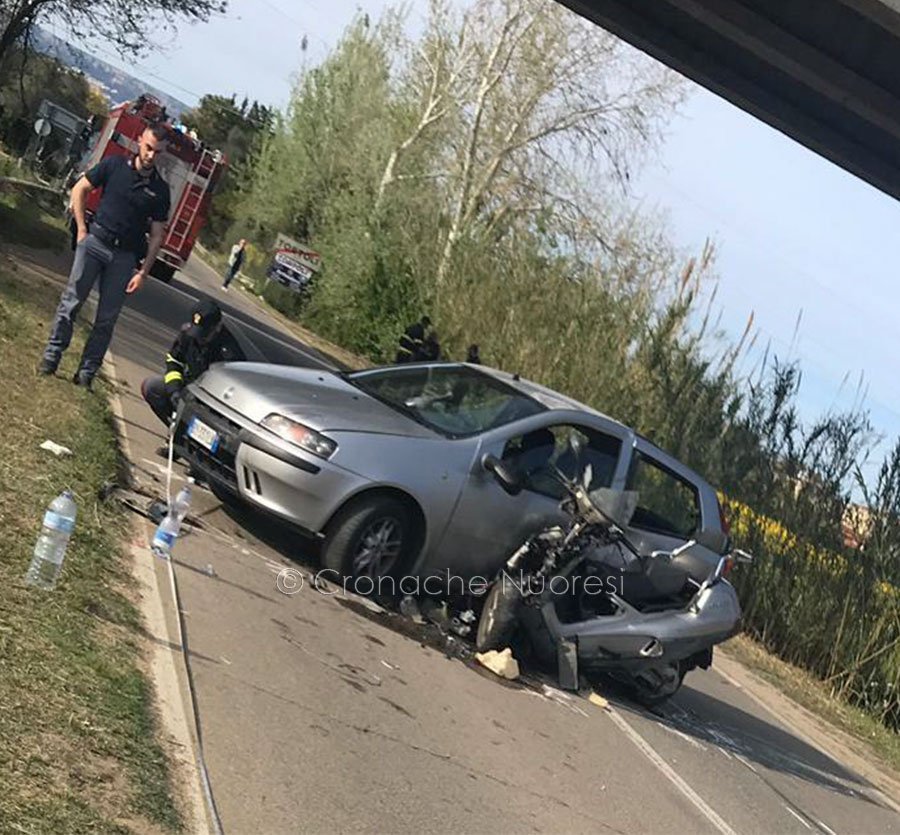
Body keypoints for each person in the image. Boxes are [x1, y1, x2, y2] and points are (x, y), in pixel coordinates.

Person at [39, 124, 172, 389]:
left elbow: (157, 235)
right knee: (71, 303)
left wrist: (143, 271)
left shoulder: (160, 190)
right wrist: (81, 230)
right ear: (139, 142)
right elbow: (80, 189)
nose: (150, 156)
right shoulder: (114, 166)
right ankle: (51, 357)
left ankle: (87, 372)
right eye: (147, 148)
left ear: (162, 153)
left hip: (124, 258)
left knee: (106, 320)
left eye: (157, 152)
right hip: (95, 243)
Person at [141, 299, 246, 428]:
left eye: (204, 334)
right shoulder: (188, 334)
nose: (199, 338)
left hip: (211, 401)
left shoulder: (230, 355)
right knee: (151, 387)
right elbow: (174, 361)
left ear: (217, 327)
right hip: (188, 387)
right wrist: (174, 390)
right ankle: (177, 429)